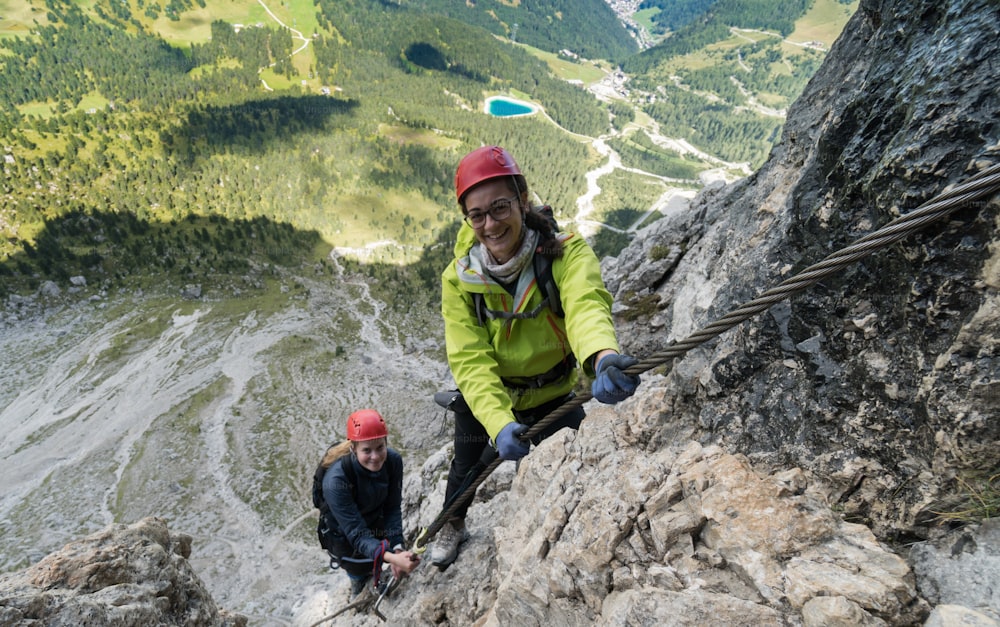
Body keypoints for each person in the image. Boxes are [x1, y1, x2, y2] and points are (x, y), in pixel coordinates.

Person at [430, 145, 641, 568]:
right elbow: (470, 359)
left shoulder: (564, 251)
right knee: (466, 467)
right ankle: (452, 521)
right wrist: (499, 421)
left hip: (555, 393)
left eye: (500, 207)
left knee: (573, 470)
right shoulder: (459, 280)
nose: (490, 224)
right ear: (468, 219)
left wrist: (602, 356)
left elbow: (585, 304)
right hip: (493, 399)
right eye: (477, 215)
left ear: (522, 200)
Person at [319, 409, 420, 596]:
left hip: (374, 520)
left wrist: (397, 548)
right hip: (345, 536)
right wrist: (391, 558)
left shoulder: (393, 461)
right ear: (353, 449)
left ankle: (372, 575)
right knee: (358, 571)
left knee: (375, 553)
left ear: (386, 443)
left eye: (380, 447)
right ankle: (358, 591)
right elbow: (356, 535)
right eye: (367, 450)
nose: (375, 457)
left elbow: (392, 507)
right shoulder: (335, 482)